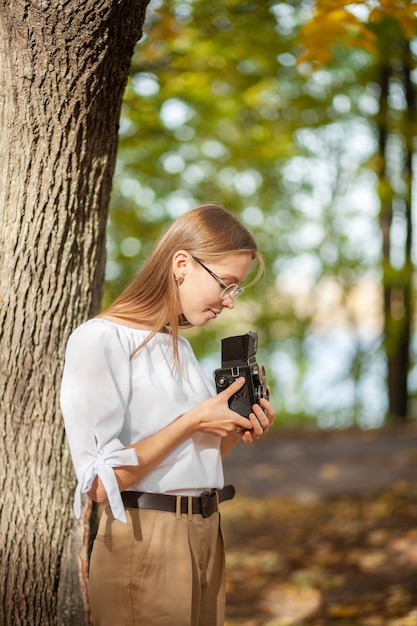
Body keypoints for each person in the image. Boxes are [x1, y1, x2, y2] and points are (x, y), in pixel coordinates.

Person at [60, 203, 275, 626]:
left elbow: (189, 462)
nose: (229, 302)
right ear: (182, 264)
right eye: (226, 285)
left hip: (205, 533)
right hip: (146, 541)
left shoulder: (182, 347)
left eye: (237, 290)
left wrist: (235, 427)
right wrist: (194, 421)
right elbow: (102, 486)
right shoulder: (99, 340)